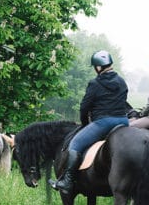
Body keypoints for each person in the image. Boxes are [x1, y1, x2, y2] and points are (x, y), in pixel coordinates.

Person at [48, 50, 129, 194]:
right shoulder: (121, 81)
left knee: (75, 144)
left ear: (98, 67)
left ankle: (67, 181)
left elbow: (84, 107)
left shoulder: (95, 83)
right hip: (123, 121)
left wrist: (85, 123)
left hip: (103, 123)